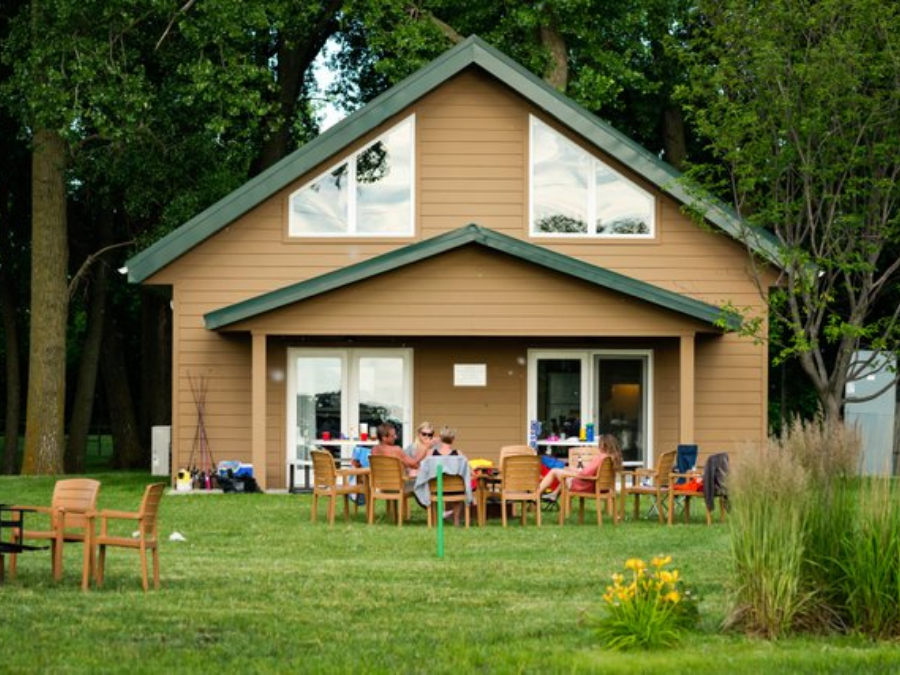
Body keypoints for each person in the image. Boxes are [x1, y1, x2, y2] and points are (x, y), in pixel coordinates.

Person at [539, 434, 622, 502]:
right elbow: (590, 472)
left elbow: (584, 474)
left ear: (603, 445)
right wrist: (573, 470)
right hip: (598, 487)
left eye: (599, 444)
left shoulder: (601, 457)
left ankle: (537, 494)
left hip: (584, 487)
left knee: (554, 471)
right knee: (567, 469)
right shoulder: (611, 458)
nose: (598, 446)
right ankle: (554, 494)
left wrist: (574, 473)